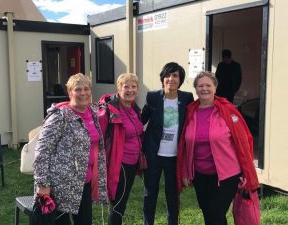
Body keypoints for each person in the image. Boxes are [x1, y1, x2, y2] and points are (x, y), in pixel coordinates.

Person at [177, 71, 260, 225]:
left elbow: (243, 141)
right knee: (209, 213)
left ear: (215, 87)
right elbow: (183, 144)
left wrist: (246, 170)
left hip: (227, 175)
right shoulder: (190, 111)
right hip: (200, 175)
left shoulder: (227, 110)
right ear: (195, 89)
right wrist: (185, 171)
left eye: (208, 85)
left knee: (215, 212)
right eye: (200, 85)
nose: (204, 89)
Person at [33, 73, 108, 225]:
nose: (83, 93)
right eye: (78, 89)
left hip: (84, 182)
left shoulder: (92, 113)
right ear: (70, 93)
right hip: (60, 186)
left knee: (85, 221)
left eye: (86, 89)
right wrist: (43, 184)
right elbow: (42, 151)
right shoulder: (60, 116)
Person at [141, 62, 194, 225]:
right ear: (163, 78)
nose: (171, 79)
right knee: (150, 193)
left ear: (180, 79)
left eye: (175, 75)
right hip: (154, 154)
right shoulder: (153, 97)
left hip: (174, 157)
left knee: (173, 194)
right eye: (168, 75)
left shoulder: (187, 98)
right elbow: (140, 121)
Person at [98, 73, 143, 225]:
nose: (130, 90)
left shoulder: (134, 108)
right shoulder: (110, 110)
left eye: (134, 86)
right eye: (126, 86)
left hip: (132, 163)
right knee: (117, 206)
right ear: (118, 88)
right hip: (119, 164)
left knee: (121, 204)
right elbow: (99, 135)